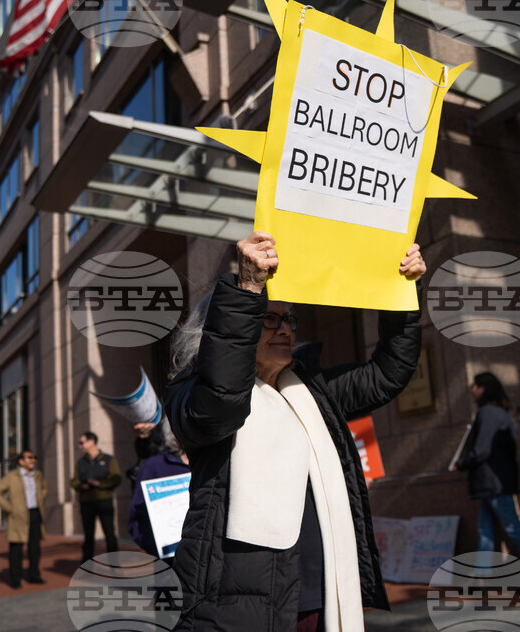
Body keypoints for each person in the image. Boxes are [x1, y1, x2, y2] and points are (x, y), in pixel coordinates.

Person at [165, 231, 424, 631]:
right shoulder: (191, 392)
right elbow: (223, 400)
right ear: (224, 328)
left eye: (289, 319)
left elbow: (387, 374)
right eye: (269, 318)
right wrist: (248, 288)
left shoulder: (311, 390)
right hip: (234, 607)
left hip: (322, 598)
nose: (285, 329)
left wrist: (402, 294)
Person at [452, 372, 520, 587]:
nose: (472, 391)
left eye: (475, 387)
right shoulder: (500, 413)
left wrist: (462, 463)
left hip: (492, 481)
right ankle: (483, 576)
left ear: (483, 388)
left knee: (509, 524)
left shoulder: (487, 413)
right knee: (486, 528)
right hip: (497, 480)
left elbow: (482, 449)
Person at [127, 418, 190, 560]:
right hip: (171, 565)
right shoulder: (154, 467)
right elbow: (137, 520)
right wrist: (159, 546)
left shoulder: (218, 464)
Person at [0, 450, 48, 588]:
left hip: (35, 514)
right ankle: (15, 579)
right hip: (17, 516)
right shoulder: (11, 476)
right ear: (21, 461)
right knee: (16, 549)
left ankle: (34, 576)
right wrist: (10, 508)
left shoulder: (37, 475)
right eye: (29, 458)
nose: (33, 460)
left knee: (34, 549)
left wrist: (39, 499)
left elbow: (44, 488)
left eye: (34, 457)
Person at [71, 431, 122, 562]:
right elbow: (74, 481)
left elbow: (116, 479)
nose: (80, 445)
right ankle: (87, 567)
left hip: (104, 501)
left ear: (91, 442)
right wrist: (82, 486)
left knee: (109, 534)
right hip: (86, 503)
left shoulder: (108, 459)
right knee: (88, 536)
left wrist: (99, 483)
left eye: (82, 442)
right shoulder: (80, 463)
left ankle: (114, 565)